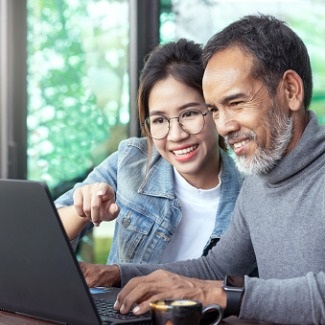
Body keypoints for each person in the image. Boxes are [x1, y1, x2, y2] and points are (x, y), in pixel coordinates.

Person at [79, 14, 325, 324]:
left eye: (236, 103)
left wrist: (212, 294)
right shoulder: (259, 183)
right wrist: (116, 274)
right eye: (214, 110)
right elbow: (216, 268)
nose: (224, 127)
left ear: (290, 90)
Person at [55, 38, 242, 265]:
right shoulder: (131, 160)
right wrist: (82, 210)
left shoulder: (248, 194)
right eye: (160, 120)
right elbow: (43, 234)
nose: (176, 135)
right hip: (122, 301)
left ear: (215, 110)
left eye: (189, 114)